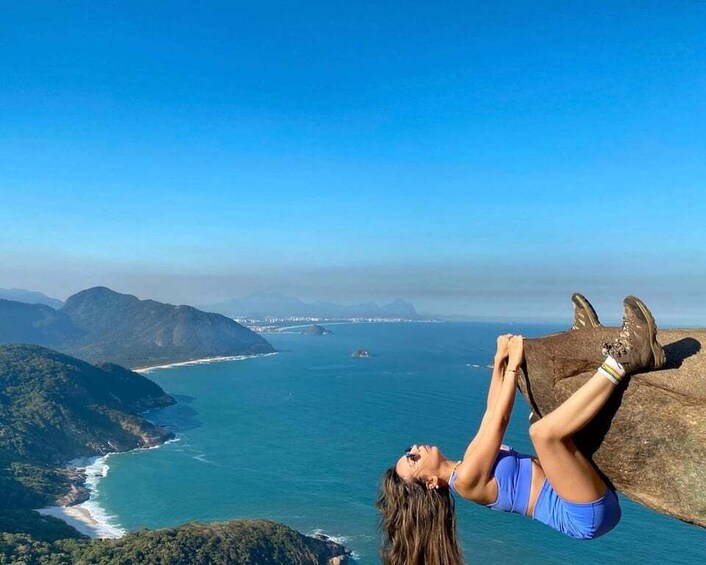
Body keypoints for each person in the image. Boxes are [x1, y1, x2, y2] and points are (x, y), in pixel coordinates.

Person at [377, 294, 666, 565]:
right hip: (584, 513)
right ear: (429, 483)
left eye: (408, 451)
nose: (414, 449)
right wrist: (513, 366)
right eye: (412, 459)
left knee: (540, 417)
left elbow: (491, 413)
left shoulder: (464, 465)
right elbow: (500, 421)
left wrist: (499, 359)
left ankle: (583, 342)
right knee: (542, 433)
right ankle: (628, 357)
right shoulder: (465, 482)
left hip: (580, 495)